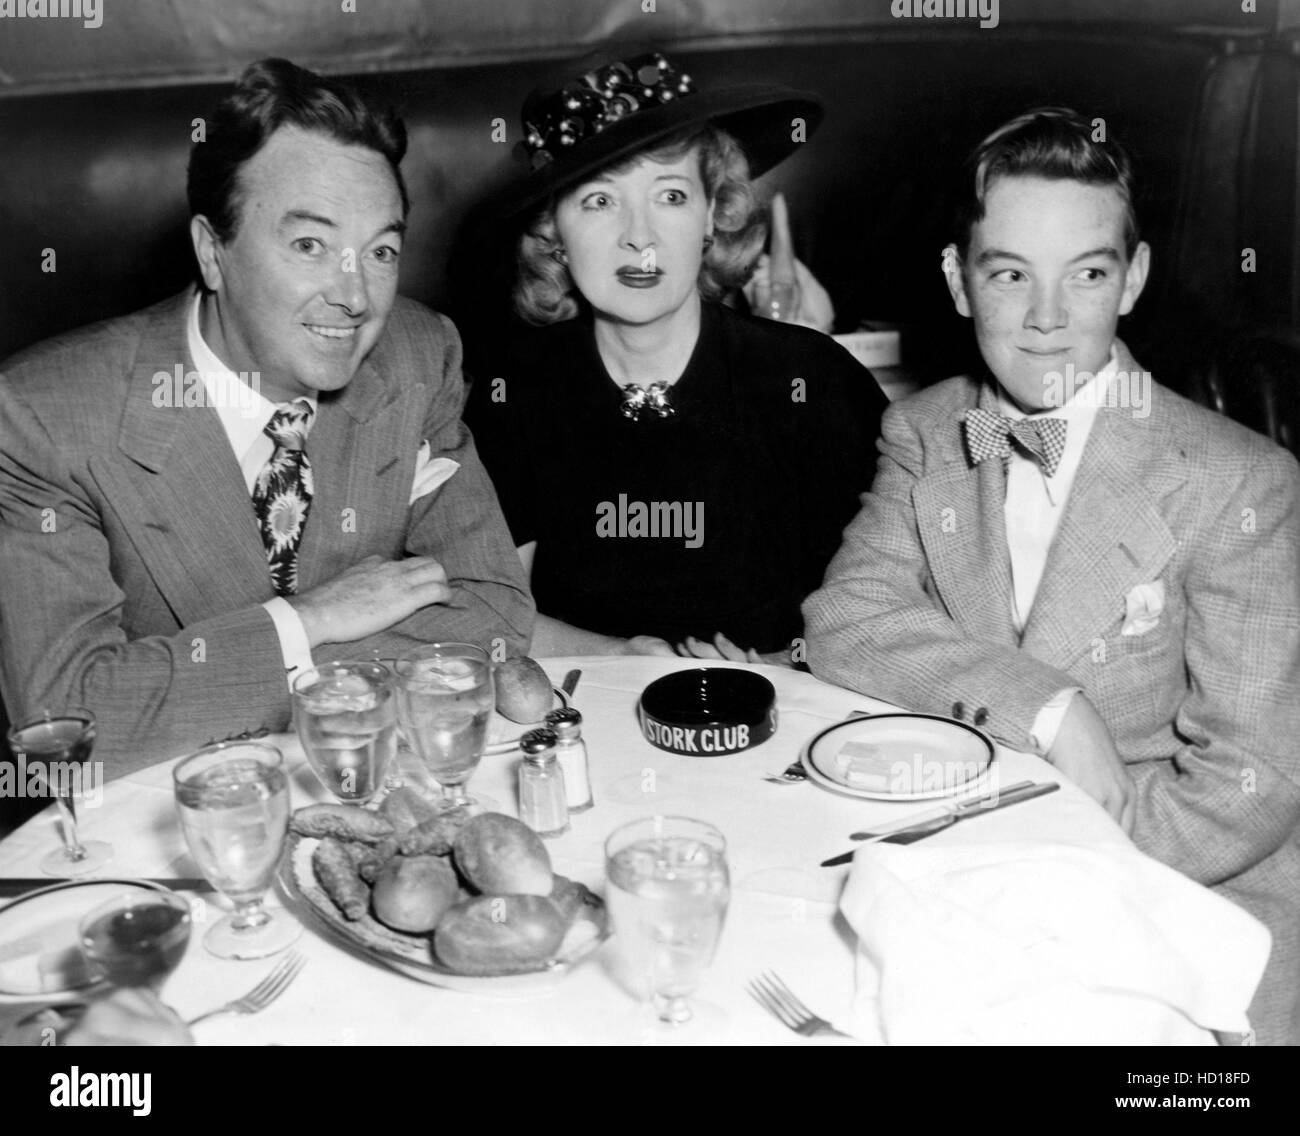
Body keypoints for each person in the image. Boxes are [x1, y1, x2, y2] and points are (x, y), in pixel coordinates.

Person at [803, 107, 1300, 1045]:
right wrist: (1051, 708)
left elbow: (1252, 784)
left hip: (1186, 916)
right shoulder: (925, 431)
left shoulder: (1243, 482)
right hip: (973, 896)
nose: (1046, 319)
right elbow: (847, 620)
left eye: (1087, 275)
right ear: (957, 282)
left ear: (1135, 279)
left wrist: (1038, 869)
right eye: (1009, 274)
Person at [0, 59, 533, 774]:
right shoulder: (44, 417)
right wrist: (308, 620)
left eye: (380, 250)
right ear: (212, 253)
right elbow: (66, 725)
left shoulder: (416, 354)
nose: (355, 296)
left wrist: (194, 685)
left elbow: (496, 620)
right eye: (310, 245)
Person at [466, 51, 887, 664]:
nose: (640, 236)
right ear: (553, 232)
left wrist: (776, 669)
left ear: (712, 219)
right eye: (599, 201)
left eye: (669, 195)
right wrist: (623, 658)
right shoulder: (516, 393)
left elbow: (887, 604)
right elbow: (492, 616)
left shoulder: (812, 381)